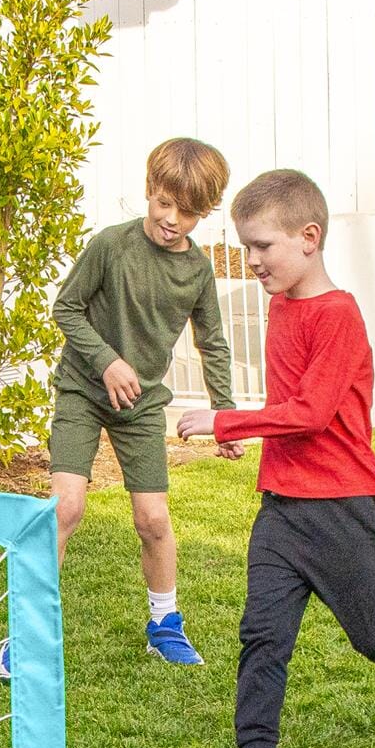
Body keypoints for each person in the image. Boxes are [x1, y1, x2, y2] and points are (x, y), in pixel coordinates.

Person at [177, 168, 375, 748]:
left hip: (343, 506)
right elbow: (287, 407)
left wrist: (227, 421)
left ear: (309, 236)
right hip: (282, 506)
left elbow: (312, 413)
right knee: (262, 634)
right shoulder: (280, 304)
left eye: (262, 246)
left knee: (371, 632)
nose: (252, 260)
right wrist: (250, 434)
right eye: (245, 247)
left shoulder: (339, 315)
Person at [50, 136, 244, 665]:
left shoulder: (197, 271)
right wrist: (106, 361)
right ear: (148, 191)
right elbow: (66, 308)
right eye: (164, 203)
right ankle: (28, 631)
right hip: (83, 390)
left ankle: (165, 624)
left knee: (153, 519)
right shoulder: (111, 246)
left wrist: (225, 415)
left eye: (188, 212)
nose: (171, 219)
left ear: (205, 212)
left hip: (140, 404)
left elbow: (213, 342)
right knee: (66, 507)